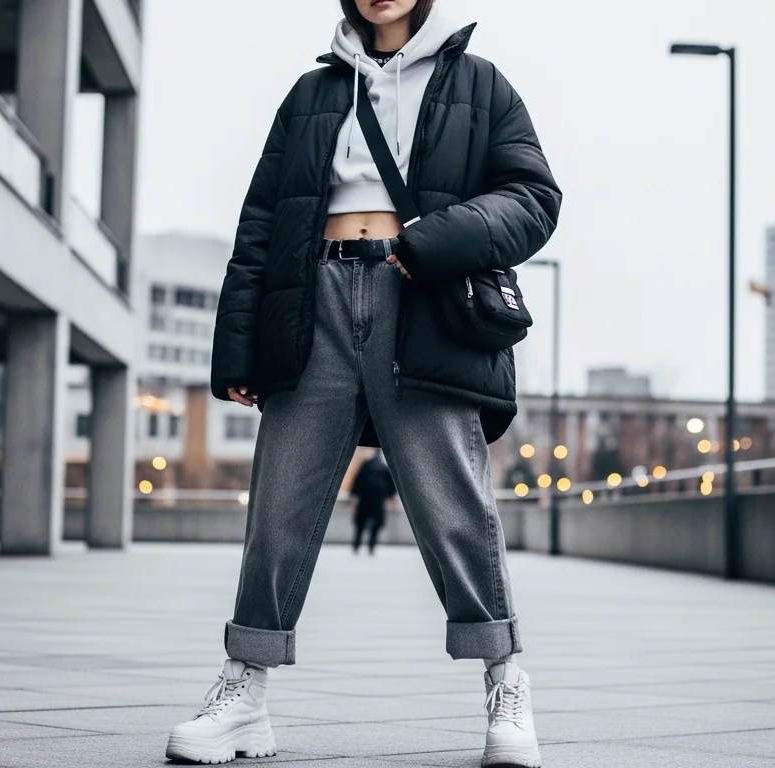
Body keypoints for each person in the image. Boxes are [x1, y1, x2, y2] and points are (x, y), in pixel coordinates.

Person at [165, 0, 561, 764]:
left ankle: (506, 685)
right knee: (278, 506)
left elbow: (535, 199)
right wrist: (239, 347)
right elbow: (260, 224)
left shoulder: (481, 85)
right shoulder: (313, 94)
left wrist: (436, 240)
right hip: (313, 300)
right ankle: (243, 690)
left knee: (453, 506)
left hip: (423, 302)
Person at [349, 451, 396, 554]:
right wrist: (390, 496)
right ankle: (372, 546)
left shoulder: (366, 465)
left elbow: (357, 480)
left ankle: (356, 545)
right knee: (376, 525)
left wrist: (353, 494)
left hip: (365, 498)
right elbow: (391, 484)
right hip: (378, 500)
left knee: (360, 524)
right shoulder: (384, 467)